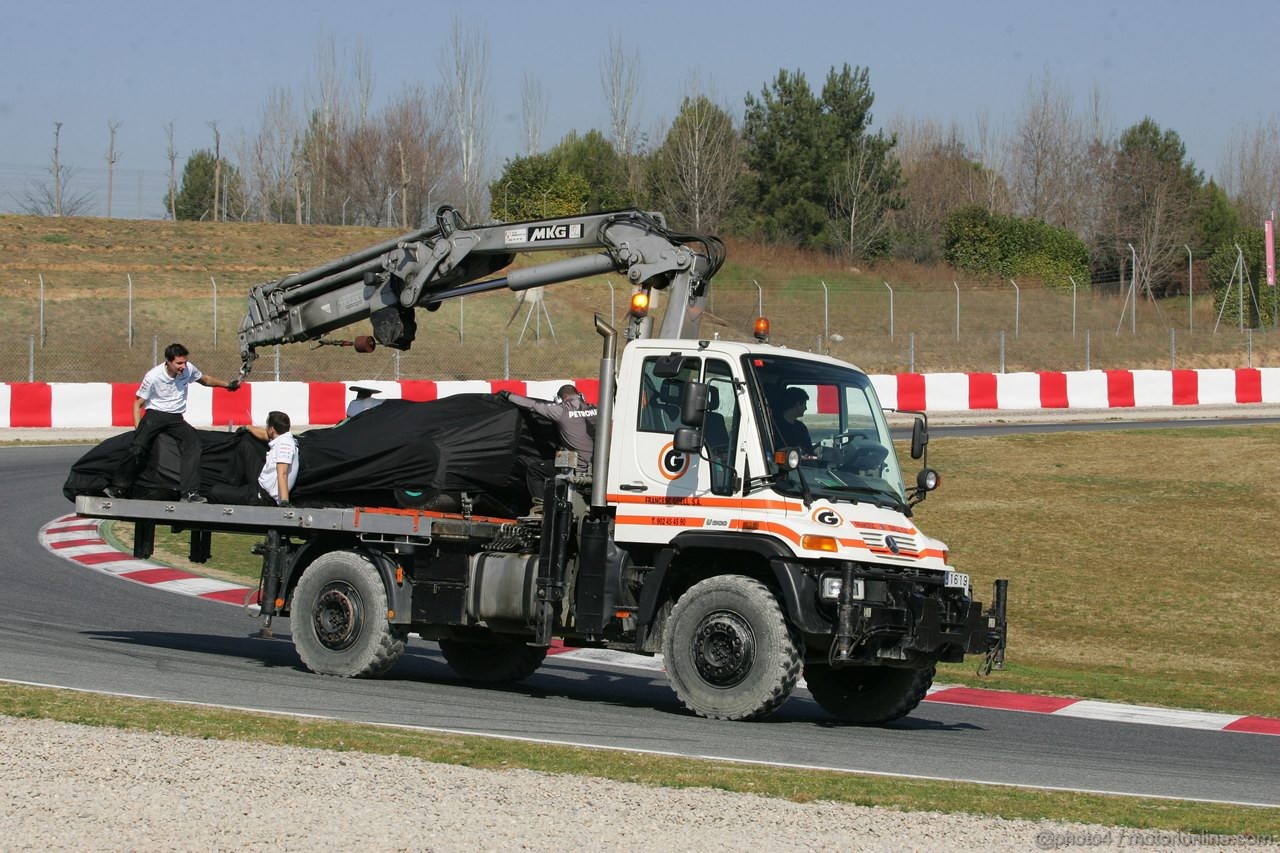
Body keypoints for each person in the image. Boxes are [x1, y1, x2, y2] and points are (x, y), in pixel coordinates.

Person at [105, 343, 241, 502]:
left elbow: (204, 379)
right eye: (179, 363)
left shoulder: (188, 368)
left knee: (194, 444)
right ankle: (118, 487)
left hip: (176, 418)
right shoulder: (153, 376)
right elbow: (137, 404)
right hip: (155, 415)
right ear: (168, 362)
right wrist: (139, 430)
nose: (183, 366)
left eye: (184, 362)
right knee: (137, 448)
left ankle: (189, 494)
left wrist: (227, 385)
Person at [498, 384, 597, 509]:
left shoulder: (561, 410)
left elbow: (532, 406)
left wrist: (508, 395)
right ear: (580, 396)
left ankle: (543, 509)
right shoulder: (596, 409)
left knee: (535, 471)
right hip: (599, 469)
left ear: (560, 399)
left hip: (577, 469)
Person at [206, 411, 299, 507]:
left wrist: (284, 502)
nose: (265, 428)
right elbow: (264, 434)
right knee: (244, 447)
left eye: (267, 426)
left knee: (214, 492)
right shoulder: (283, 437)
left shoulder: (284, 445)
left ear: (271, 429)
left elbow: (282, 473)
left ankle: (229, 491)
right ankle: (229, 485)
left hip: (263, 496)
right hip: (263, 482)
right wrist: (247, 427)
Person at [774, 387, 814, 455]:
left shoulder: (801, 427)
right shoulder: (775, 426)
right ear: (798, 405)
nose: (806, 408)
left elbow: (808, 450)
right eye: (804, 404)